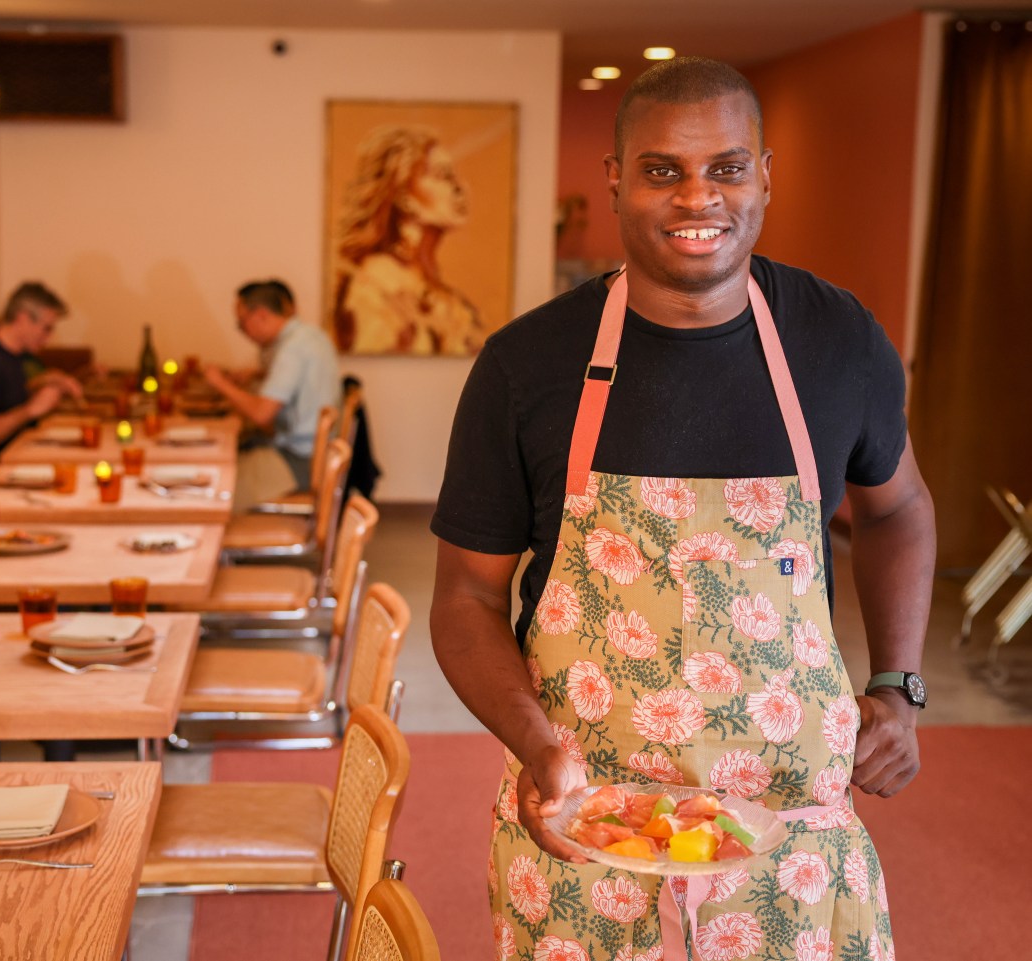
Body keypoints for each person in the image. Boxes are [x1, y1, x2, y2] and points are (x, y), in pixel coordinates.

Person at [430, 58, 935, 961]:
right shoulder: (525, 365)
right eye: (662, 169)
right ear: (617, 179)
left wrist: (898, 685)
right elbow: (464, 597)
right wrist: (538, 750)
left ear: (765, 175)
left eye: (726, 167)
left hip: (791, 836)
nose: (696, 195)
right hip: (584, 820)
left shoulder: (836, 339)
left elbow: (896, 508)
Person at [331, 125, 484, 355]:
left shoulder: (449, 298)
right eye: (442, 176)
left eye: (454, 175)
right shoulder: (376, 284)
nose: (459, 187)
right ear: (404, 197)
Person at [0, 282, 84, 490]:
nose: (49, 337)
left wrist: (47, 381)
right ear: (23, 318)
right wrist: (30, 410)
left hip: (13, 469)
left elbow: (5, 397)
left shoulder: (14, 356)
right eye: (46, 328)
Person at [204, 280, 340, 492]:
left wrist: (219, 383)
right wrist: (258, 374)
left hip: (300, 460)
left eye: (241, 323)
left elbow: (262, 414)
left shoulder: (292, 349)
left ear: (260, 315)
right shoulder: (311, 336)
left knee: (213, 484)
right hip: (316, 454)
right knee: (225, 457)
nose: (242, 331)